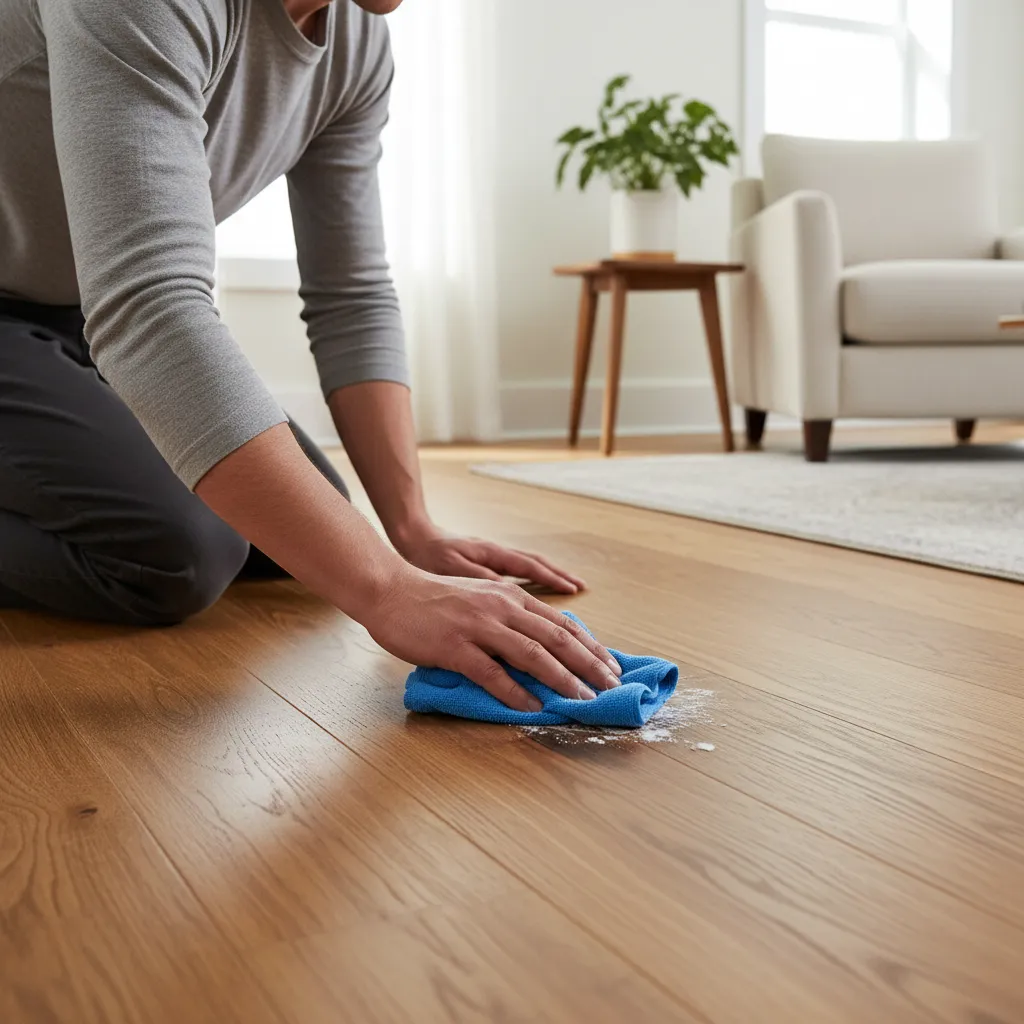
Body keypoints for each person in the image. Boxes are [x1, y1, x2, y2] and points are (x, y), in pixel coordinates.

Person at [0, 0, 624, 710]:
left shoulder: (355, 47)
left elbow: (351, 295)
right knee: (180, 551)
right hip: (76, 305)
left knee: (295, 525)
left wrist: (408, 532)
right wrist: (387, 590)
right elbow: (150, 302)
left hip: (71, 307)